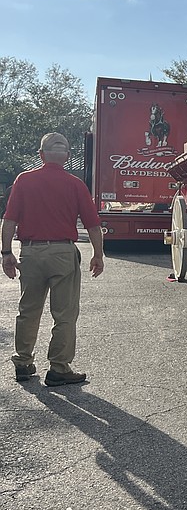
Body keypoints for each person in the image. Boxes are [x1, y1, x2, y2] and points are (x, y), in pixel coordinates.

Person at [1, 133, 105, 386]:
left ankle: (23, 363)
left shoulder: (24, 180)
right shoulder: (75, 184)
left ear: (41, 155)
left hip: (32, 252)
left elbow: (9, 220)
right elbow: (93, 225)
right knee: (65, 313)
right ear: (68, 157)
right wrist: (98, 254)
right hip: (62, 253)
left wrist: (6, 253)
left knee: (28, 310)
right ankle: (59, 367)